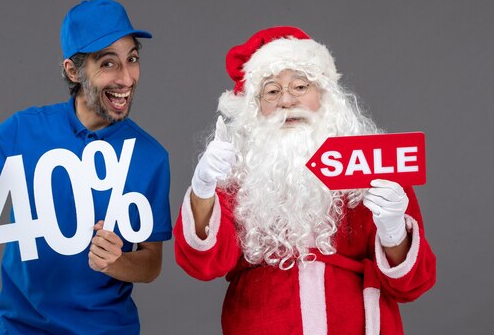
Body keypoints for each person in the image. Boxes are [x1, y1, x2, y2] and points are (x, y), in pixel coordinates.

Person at [0, 0, 172, 335]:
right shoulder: (25, 129)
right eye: (109, 63)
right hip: (20, 328)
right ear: (73, 71)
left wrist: (118, 262)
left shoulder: (150, 156)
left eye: (133, 59)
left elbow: (152, 261)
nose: (127, 78)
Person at [173, 26, 436, 335]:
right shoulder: (238, 173)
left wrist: (394, 232)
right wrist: (204, 188)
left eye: (300, 87)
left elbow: (413, 285)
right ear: (256, 107)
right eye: (272, 91)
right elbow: (203, 265)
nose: (287, 100)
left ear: (324, 95)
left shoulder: (372, 165)